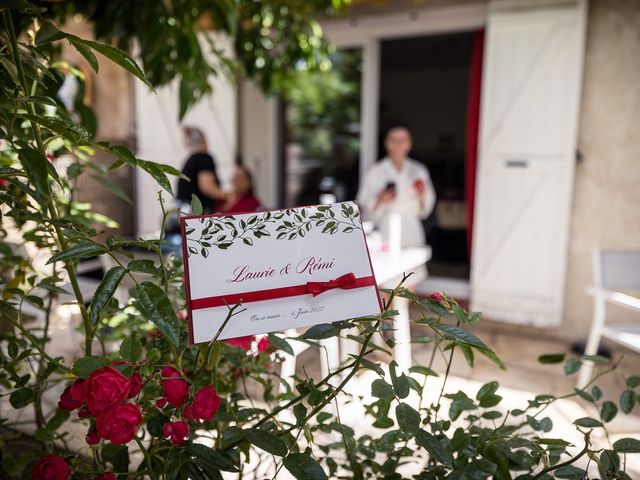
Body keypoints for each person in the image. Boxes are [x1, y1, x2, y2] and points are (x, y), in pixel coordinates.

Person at [357, 125, 436, 248]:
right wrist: (380, 199)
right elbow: (363, 203)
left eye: (402, 141)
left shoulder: (419, 170)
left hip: (411, 228)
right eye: (393, 140)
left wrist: (421, 196)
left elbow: (426, 207)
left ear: (409, 143)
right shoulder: (375, 171)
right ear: (386, 143)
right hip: (385, 227)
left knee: (412, 263)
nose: (398, 144)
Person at [176, 127, 226, 213]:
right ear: (204, 140)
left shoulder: (191, 160)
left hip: (182, 210)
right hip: (195, 213)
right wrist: (227, 196)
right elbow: (207, 187)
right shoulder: (204, 159)